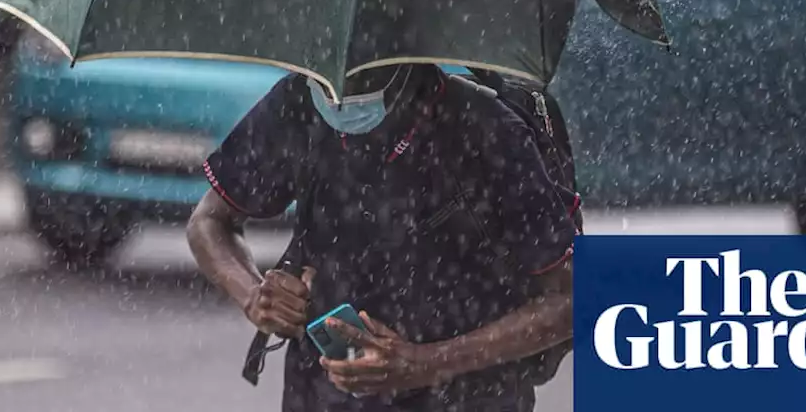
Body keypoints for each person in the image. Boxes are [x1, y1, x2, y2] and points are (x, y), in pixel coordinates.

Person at [187, 63, 576, 411]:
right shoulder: (299, 101)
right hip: (321, 394)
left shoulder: (486, 128)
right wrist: (255, 296)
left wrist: (426, 364)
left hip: (470, 398)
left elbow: (570, 300)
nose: (341, 95)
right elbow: (208, 222)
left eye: (364, 73)